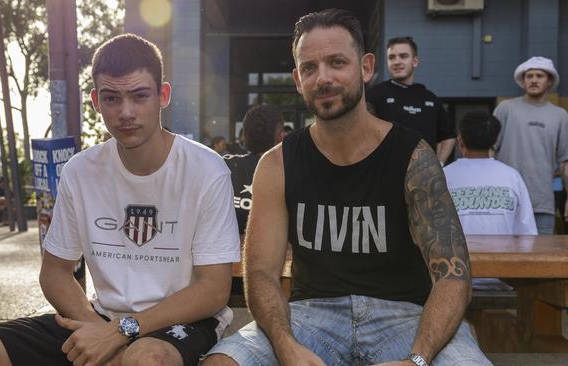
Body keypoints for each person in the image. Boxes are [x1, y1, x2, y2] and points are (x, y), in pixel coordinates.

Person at [204, 8, 490, 366]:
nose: (323, 78)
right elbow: (261, 273)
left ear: (366, 67)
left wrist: (417, 359)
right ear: (297, 79)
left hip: (406, 316)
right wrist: (284, 345)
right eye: (309, 68)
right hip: (310, 315)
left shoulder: (413, 157)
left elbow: (453, 275)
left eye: (337, 62)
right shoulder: (278, 163)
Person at [0, 33, 240, 366]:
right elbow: (55, 272)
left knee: (143, 359)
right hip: (102, 317)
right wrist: (97, 329)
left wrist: (122, 332)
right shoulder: (80, 171)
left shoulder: (205, 169)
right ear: (96, 102)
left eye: (140, 95)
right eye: (112, 98)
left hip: (182, 322)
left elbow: (214, 288)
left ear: (163, 95)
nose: (126, 112)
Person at [494, 56, 568, 235]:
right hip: (505, 201)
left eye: (539, 76)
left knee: (542, 260)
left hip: (542, 203)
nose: (534, 80)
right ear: (523, 80)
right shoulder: (506, 108)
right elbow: (489, 151)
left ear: (549, 81)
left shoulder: (560, 115)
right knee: (502, 260)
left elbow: (565, 162)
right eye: (529, 76)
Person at [366, 36, 455, 165]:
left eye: (403, 56)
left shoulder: (430, 98)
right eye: (392, 57)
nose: (397, 61)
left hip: (423, 178)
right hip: (385, 174)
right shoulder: (375, 94)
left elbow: (448, 136)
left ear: (415, 61)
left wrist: (439, 164)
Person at [445, 111, 537, 236]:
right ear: (494, 142)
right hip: (504, 255)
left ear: (460, 141)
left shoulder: (443, 176)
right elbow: (527, 232)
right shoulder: (511, 176)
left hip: (456, 255)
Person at [224, 104, 285, 236]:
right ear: (281, 137)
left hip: (227, 252)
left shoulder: (221, 166)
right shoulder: (292, 173)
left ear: (244, 136)